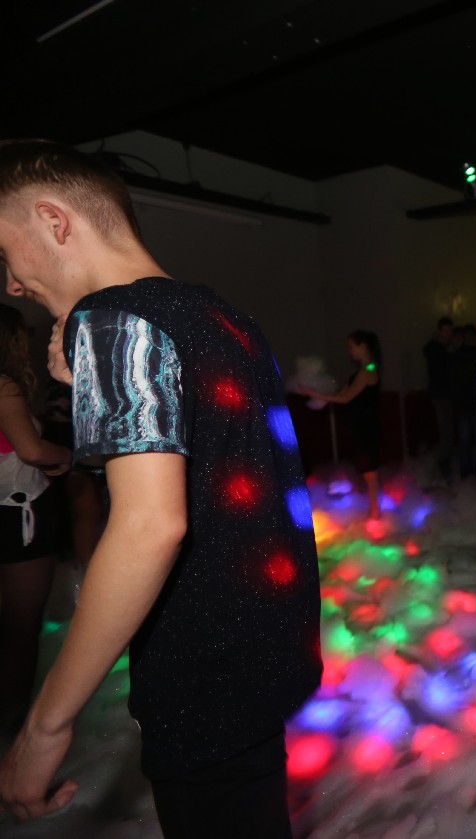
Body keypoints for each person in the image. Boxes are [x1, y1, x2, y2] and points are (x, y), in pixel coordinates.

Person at [0, 139, 322, 835]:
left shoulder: (112, 318)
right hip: (265, 661)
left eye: (4, 254)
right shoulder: (224, 316)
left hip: (204, 678)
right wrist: (85, 387)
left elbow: (152, 525)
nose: (13, 285)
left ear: (54, 221)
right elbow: (211, 472)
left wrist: (45, 725)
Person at [0, 304, 72, 732]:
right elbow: (31, 450)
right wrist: (67, 456)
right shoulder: (4, 386)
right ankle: (13, 731)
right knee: (21, 632)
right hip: (17, 515)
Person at [301, 330, 383, 519]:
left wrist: (314, 394)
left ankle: (376, 514)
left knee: (370, 473)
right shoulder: (360, 373)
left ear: (363, 346)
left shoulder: (367, 372)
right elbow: (340, 393)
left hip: (367, 428)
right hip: (362, 427)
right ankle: (374, 511)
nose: (349, 351)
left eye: (351, 347)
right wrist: (317, 394)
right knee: (368, 472)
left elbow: (346, 398)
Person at [424, 316, 456, 482]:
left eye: (450, 331)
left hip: (443, 395)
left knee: (447, 431)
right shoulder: (435, 349)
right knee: (446, 432)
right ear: (439, 331)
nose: (448, 334)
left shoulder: (439, 349)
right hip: (441, 395)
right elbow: (443, 370)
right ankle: (443, 467)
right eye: (445, 331)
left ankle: (443, 466)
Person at [453, 323, 476, 479]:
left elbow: (452, 381)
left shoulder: (456, 356)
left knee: (465, 440)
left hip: (463, 404)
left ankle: (466, 473)